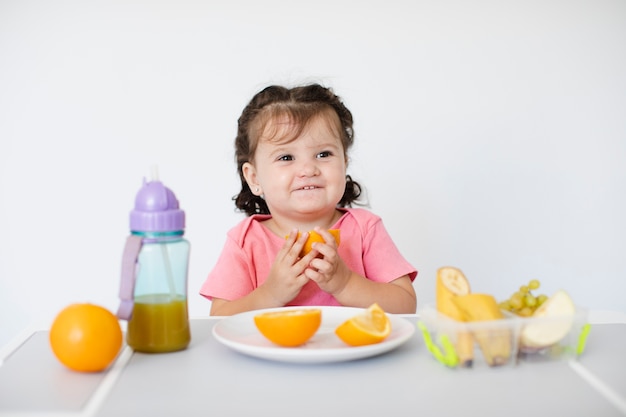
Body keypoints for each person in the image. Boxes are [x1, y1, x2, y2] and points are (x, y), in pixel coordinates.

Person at [200, 83, 417, 316]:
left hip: (353, 350)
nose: (308, 169)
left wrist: (345, 284)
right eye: (286, 157)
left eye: (323, 154)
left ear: (344, 162)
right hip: (272, 353)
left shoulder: (365, 229)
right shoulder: (246, 241)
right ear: (254, 178)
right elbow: (219, 318)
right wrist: (270, 293)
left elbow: (405, 305)